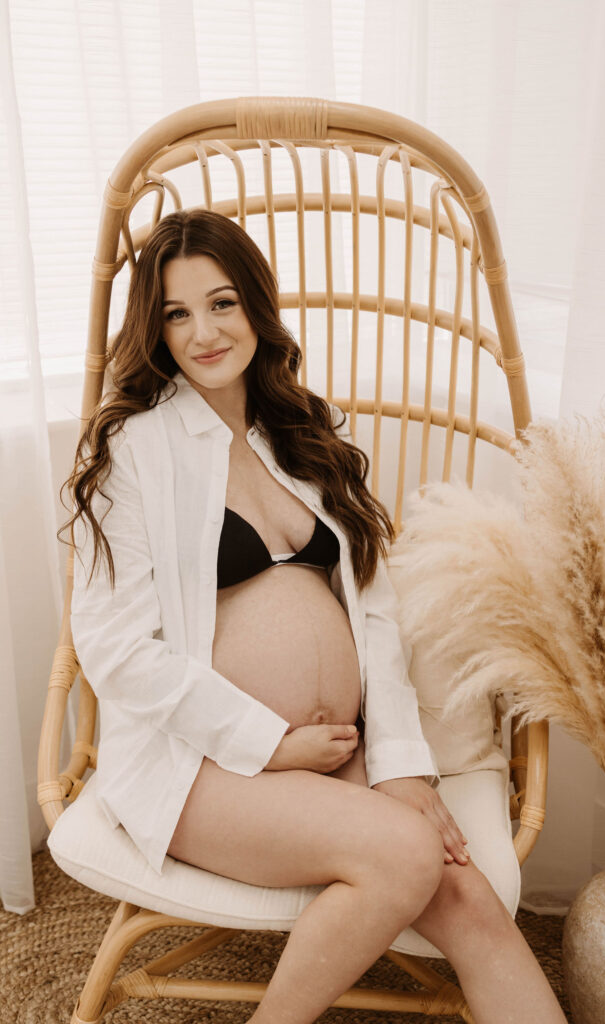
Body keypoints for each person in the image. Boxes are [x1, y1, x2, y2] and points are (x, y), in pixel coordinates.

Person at [60, 209, 567, 1024]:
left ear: (257, 306)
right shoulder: (134, 451)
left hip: (336, 752)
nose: (203, 332)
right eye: (176, 313)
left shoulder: (305, 433)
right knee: (407, 853)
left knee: (469, 898)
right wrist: (266, 744)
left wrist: (400, 764)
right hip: (203, 765)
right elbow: (115, 650)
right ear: (154, 331)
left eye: (221, 303)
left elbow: (374, 615)